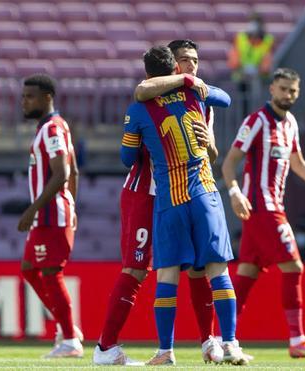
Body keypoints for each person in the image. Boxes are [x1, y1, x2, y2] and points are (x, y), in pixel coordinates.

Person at [93, 39, 227, 366]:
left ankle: (209, 342)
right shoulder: (147, 99)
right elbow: (132, 145)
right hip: (146, 193)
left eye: (195, 61)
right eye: (184, 61)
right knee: (137, 268)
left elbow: (212, 148)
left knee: (198, 267)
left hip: (188, 193)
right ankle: (105, 347)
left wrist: (208, 145)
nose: (191, 67)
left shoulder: (198, 98)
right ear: (172, 67)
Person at [121, 45, 249, 366]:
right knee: (218, 271)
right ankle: (231, 343)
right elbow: (226, 98)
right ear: (175, 68)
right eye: (186, 64)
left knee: (167, 275)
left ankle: (166, 350)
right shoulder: (196, 96)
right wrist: (190, 83)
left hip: (171, 199)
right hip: (205, 194)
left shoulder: (140, 109)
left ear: (148, 70)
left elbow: (126, 158)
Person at [221, 68, 305, 358]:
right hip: (262, 209)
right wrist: (234, 193)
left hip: (271, 208)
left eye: (293, 90)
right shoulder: (256, 122)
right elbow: (229, 163)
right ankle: (297, 340)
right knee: (294, 267)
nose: (288, 95)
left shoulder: (290, 123)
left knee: (246, 275)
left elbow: (299, 164)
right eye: (283, 89)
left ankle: (222, 339)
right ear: (272, 90)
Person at [17, 74, 83, 358]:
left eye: (30, 96)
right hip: (50, 215)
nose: (24, 101)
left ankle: (69, 340)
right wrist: (74, 206)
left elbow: (63, 173)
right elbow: (75, 172)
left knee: (50, 273)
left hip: (49, 216)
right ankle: (67, 327)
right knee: (29, 269)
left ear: (47, 98)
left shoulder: (52, 130)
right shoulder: (55, 126)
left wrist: (32, 210)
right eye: (23, 96)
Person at [227, 14, 275, 117]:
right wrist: (241, 68)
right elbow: (234, 57)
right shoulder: (240, 38)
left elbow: (267, 60)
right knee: (244, 106)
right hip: (242, 77)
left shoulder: (268, 40)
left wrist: (259, 70)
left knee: (260, 105)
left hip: (260, 79)